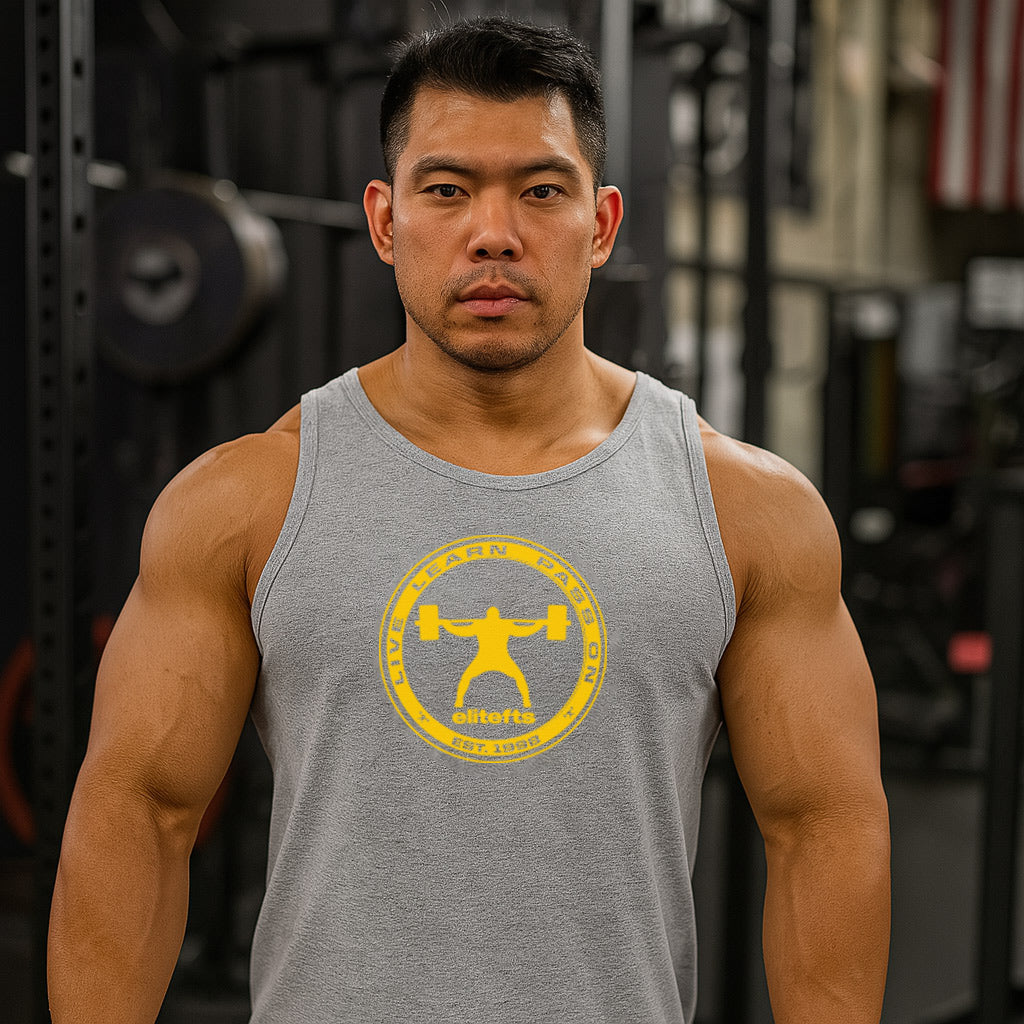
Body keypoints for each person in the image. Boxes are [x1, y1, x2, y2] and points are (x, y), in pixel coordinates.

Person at [48, 15, 890, 1024]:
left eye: (541, 190)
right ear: (386, 220)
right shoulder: (246, 499)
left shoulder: (744, 509)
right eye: (447, 190)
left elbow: (822, 827)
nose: (494, 232)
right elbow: (139, 810)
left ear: (603, 222)